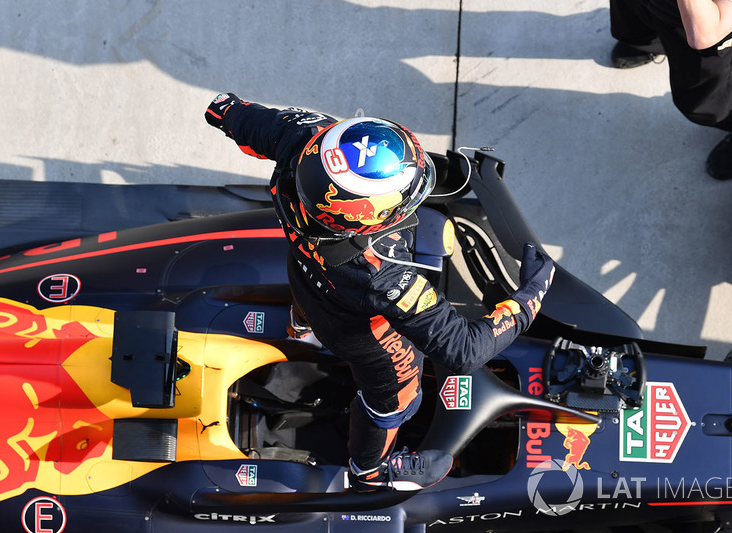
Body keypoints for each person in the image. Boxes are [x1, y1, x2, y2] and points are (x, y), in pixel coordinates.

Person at [204, 93, 555, 492]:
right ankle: (369, 471)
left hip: (304, 281)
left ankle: (299, 330)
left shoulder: (305, 139)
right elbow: (462, 352)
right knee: (399, 402)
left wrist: (227, 110)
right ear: (366, 217)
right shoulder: (380, 273)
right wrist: (530, 298)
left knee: (306, 304)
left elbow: (232, 115)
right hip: (362, 337)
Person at [609, 0, 732, 179]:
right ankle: (649, 41)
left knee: (703, 97)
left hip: (707, 13)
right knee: (631, 17)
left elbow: (705, 34)